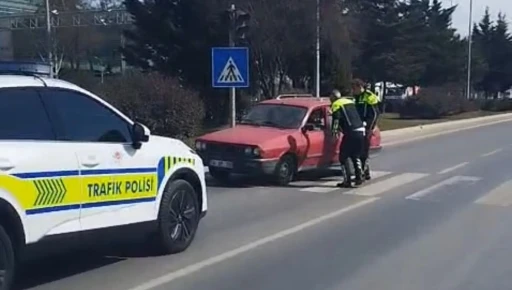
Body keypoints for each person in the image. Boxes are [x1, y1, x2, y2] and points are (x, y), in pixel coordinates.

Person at [330, 89, 366, 188]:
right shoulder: (349, 101)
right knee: (355, 155)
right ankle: (360, 177)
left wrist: (334, 132)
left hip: (351, 132)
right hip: (361, 130)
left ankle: (347, 180)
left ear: (333, 97)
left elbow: (336, 118)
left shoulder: (336, 104)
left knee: (343, 156)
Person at [351, 79, 380, 180]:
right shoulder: (356, 97)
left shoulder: (369, 96)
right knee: (361, 150)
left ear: (359, 87)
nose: (353, 91)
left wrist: (370, 128)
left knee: (363, 150)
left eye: (354, 88)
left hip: (367, 127)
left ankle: (362, 173)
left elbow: (375, 114)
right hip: (358, 126)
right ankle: (366, 172)